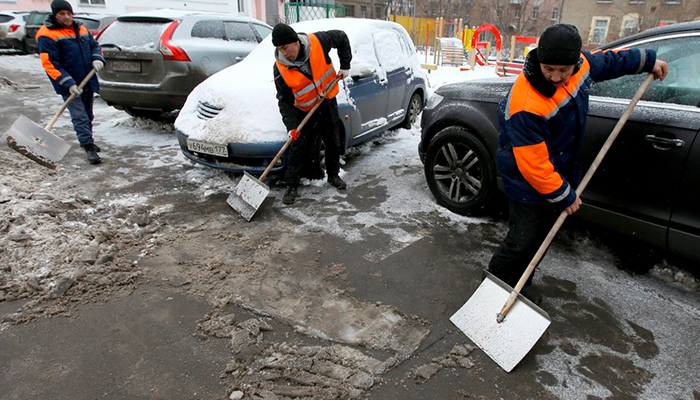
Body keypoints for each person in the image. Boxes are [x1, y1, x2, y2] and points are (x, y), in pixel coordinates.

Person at [487, 24, 668, 304]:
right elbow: (533, 164)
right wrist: (564, 195)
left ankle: (521, 283)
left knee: (541, 238)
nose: (557, 77)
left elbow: (609, 62)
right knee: (522, 239)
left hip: (557, 170)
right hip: (526, 181)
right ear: (538, 60)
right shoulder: (527, 103)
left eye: (564, 70)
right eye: (549, 69)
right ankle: (498, 283)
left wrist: (647, 61)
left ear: (574, 62)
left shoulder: (580, 67)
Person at [272, 23, 352, 205]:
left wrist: (345, 64)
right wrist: (291, 126)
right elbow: (284, 99)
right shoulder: (280, 68)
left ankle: (333, 175)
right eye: (279, 49)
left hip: (326, 100)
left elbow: (341, 36)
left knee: (332, 140)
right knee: (298, 146)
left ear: (295, 42)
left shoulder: (318, 41)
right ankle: (291, 185)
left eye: (285, 47)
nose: (283, 53)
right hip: (304, 108)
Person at [37, 0, 105, 164]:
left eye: (69, 13)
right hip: (69, 83)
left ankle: (88, 139)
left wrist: (97, 58)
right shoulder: (47, 34)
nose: (66, 17)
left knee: (88, 114)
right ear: (55, 15)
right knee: (79, 116)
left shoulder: (81, 29)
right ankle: (88, 146)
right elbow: (49, 63)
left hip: (87, 79)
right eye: (62, 14)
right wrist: (67, 82)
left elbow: (95, 46)